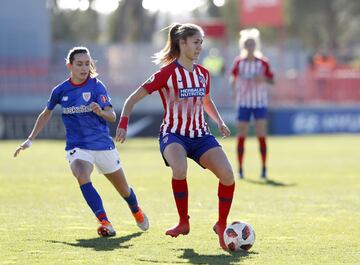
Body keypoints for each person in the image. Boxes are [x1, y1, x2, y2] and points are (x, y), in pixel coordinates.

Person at [115, 23, 235, 250]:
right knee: (179, 169)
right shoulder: (167, 73)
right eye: (196, 42)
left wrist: (219, 122)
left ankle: (221, 224)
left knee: (228, 175)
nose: (200, 47)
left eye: (201, 42)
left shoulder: (203, 74)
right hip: (173, 135)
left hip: (201, 136)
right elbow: (132, 99)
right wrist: (123, 122)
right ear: (182, 43)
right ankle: (183, 222)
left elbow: (206, 101)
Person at [13, 46, 149, 237]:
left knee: (124, 190)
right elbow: (46, 113)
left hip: (102, 145)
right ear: (70, 65)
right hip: (78, 147)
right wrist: (29, 139)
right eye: (79, 64)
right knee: (81, 174)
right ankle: (104, 221)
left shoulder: (96, 86)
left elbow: (111, 115)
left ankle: (136, 210)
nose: (84, 68)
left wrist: (101, 112)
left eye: (87, 64)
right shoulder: (60, 90)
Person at [229, 28, 274, 179]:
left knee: (261, 134)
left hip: (259, 103)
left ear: (256, 45)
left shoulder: (263, 63)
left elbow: (272, 80)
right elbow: (232, 78)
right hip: (244, 103)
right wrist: (235, 90)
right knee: (242, 134)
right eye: (247, 44)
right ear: (243, 45)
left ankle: (264, 169)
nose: (250, 47)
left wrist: (263, 79)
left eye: (253, 44)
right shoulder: (239, 62)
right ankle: (240, 169)